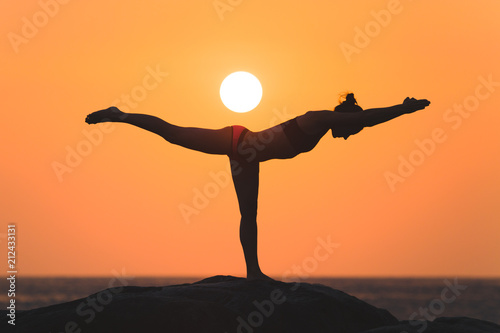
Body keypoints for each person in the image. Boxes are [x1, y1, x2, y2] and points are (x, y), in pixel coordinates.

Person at [85, 93, 430, 280]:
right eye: (350, 129)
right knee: (174, 135)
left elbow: (361, 120)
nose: (348, 136)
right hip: (237, 139)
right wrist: (403, 109)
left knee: (249, 214)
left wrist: (400, 110)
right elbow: (365, 118)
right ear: (344, 116)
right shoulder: (318, 118)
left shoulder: (322, 129)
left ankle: (253, 273)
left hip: (246, 158)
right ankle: (120, 114)